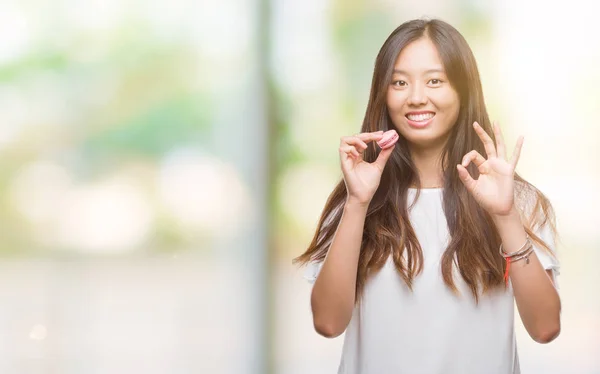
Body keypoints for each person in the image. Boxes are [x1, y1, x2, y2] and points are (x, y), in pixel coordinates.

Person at [292, 18, 561, 374]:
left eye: (435, 81)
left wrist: (506, 216)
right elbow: (327, 322)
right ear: (382, 94)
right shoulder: (356, 196)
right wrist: (357, 203)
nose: (416, 97)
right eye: (399, 82)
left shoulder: (517, 200)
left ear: (464, 92)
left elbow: (545, 328)